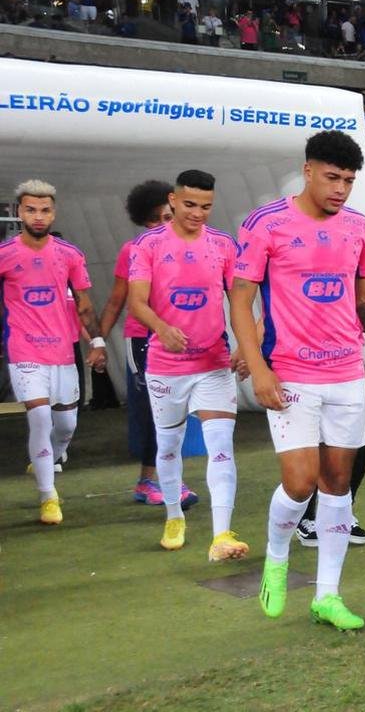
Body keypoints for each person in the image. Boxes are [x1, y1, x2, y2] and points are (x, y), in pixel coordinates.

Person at [230, 131, 365, 631]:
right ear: (308, 171)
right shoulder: (266, 223)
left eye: (348, 181)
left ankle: (327, 595)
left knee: (338, 483)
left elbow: (364, 295)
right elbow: (240, 300)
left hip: (346, 374)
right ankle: (276, 560)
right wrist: (258, 367)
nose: (340, 188)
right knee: (300, 483)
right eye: (332, 177)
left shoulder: (359, 227)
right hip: (291, 373)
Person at [127, 170, 247, 560]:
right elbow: (136, 303)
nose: (198, 213)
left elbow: (240, 302)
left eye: (206, 207)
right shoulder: (147, 245)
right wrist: (162, 328)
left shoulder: (223, 245)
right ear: (173, 201)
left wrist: (247, 346)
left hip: (213, 363)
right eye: (190, 204)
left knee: (221, 446)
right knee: (168, 445)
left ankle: (221, 534)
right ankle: (174, 515)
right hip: (166, 367)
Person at [0, 180, 106, 525]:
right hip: (24, 351)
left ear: (54, 213)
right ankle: (48, 496)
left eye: (45, 210)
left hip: (63, 351)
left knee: (66, 425)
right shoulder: (5, 254)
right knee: (40, 418)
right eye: (31, 209)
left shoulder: (69, 254)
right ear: (19, 212)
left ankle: (49, 457)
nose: (38, 216)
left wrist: (98, 342)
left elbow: (85, 304)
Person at [98, 180, 198, 508]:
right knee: (153, 412)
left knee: (176, 411)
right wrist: (97, 342)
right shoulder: (134, 250)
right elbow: (116, 301)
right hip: (142, 339)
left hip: (179, 339)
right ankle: (151, 480)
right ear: (143, 220)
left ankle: (162, 479)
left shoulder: (191, 246)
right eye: (154, 219)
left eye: (167, 217)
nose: (162, 224)